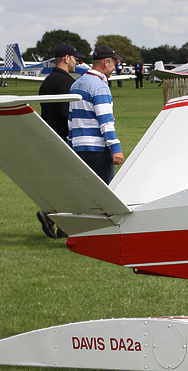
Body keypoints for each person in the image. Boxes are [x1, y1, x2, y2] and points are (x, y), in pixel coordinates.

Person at [36, 42, 84, 238]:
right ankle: (55, 218)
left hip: (49, 137)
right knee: (72, 184)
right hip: (64, 138)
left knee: (62, 183)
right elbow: (67, 114)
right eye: (75, 58)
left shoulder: (46, 82)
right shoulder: (66, 83)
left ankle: (54, 217)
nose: (77, 62)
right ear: (66, 58)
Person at [68, 45, 125, 184]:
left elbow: (71, 119)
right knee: (105, 196)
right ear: (106, 62)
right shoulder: (100, 86)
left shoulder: (76, 84)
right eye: (114, 63)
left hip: (77, 147)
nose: (114, 68)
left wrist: (70, 144)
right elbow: (106, 121)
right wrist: (115, 149)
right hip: (97, 149)